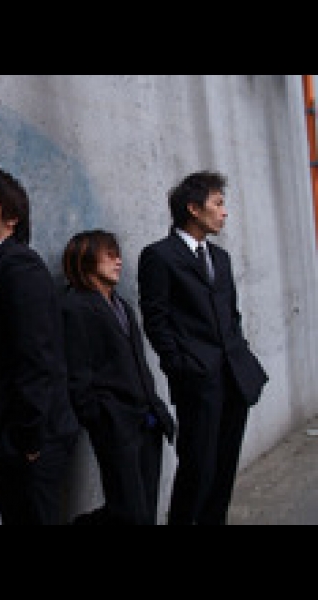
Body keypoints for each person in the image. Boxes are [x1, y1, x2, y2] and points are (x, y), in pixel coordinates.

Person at [137, 170, 269, 526]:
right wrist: (181, 367)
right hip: (198, 381)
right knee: (198, 467)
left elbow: (231, 315)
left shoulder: (220, 258)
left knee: (224, 468)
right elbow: (156, 320)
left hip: (235, 378)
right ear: (193, 209)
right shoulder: (159, 256)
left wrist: (241, 354)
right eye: (218, 203)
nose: (224, 212)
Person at [0, 165, 80, 525]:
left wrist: (28, 440)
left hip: (33, 442)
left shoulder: (18, 266)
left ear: (12, 217)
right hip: (13, 440)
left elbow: (36, 358)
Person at [61, 229, 175, 525]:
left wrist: (156, 407)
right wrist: (101, 418)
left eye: (118, 254)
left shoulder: (122, 305)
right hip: (116, 426)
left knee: (146, 510)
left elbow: (138, 364)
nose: (118, 261)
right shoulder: (75, 307)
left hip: (147, 422)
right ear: (86, 259)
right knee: (129, 513)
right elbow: (77, 373)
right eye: (109, 255)